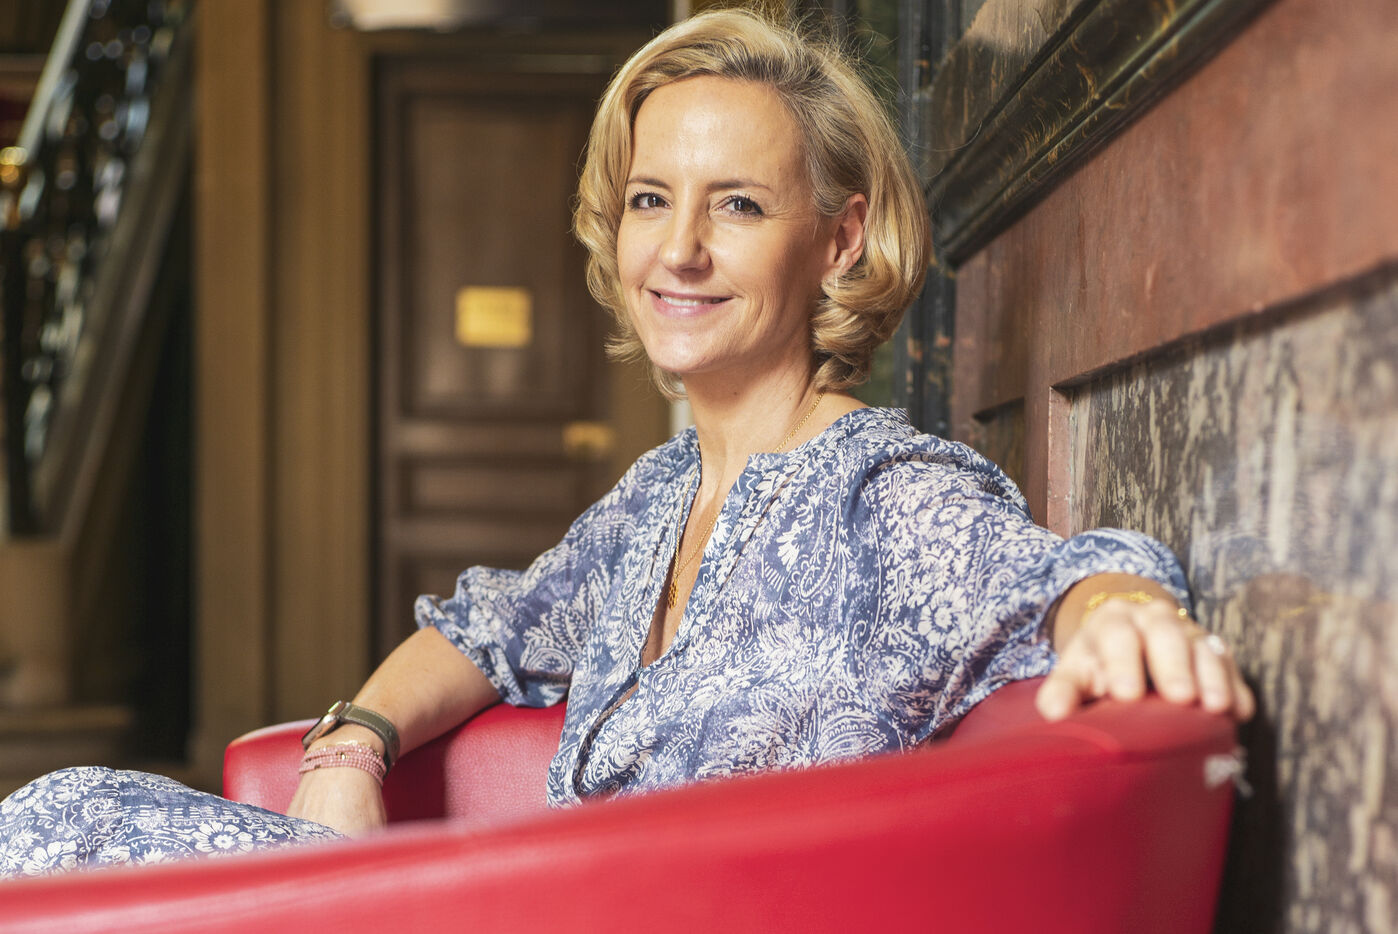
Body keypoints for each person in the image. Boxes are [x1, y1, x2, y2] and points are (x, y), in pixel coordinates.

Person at [0, 7, 1252, 876]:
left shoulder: (881, 489)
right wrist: (351, 746)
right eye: (653, 199)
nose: (679, 250)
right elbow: (485, 629)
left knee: (60, 840)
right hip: (526, 900)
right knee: (62, 814)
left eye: (738, 205)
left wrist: (1124, 610)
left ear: (838, 240)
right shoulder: (655, 498)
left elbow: (1055, 579)